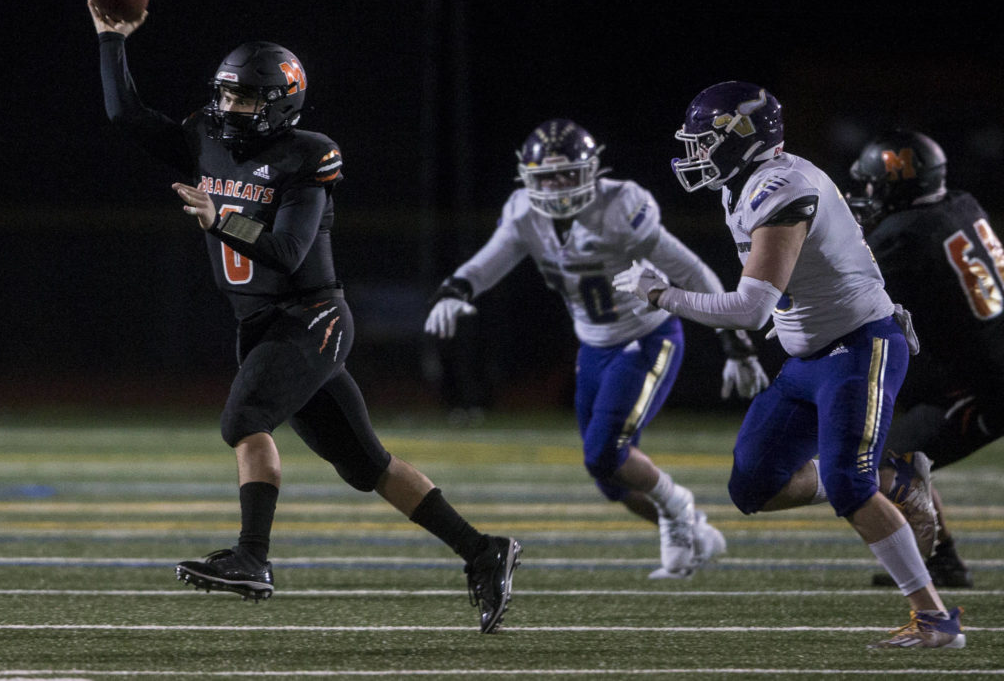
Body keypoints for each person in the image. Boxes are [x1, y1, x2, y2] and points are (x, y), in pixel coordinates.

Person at [87, 0, 520, 633]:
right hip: (263, 324)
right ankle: (484, 551)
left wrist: (220, 217)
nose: (229, 108)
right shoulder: (206, 139)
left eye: (245, 98)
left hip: (312, 316)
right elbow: (125, 114)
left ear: (280, 102)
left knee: (243, 420)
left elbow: (289, 250)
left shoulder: (306, 156)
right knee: (366, 466)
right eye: (226, 96)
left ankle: (252, 558)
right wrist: (110, 38)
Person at [613, 82, 965, 649]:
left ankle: (935, 619)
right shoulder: (747, 184)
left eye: (706, 141)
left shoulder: (781, 188)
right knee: (753, 484)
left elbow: (750, 310)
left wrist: (661, 295)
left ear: (743, 137)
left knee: (852, 484)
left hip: (860, 345)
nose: (696, 153)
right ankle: (892, 475)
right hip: (811, 356)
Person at [425, 118, 769, 579]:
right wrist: (454, 291)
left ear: (591, 171)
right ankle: (695, 529)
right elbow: (490, 261)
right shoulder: (524, 213)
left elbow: (691, 270)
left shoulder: (620, 207)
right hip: (593, 347)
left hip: (647, 335)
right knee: (609, 478)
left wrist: (734, 343)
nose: (558, 186)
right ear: (528, 178)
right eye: (547, 176)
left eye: (568, 173)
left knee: (604, 452)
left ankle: (678, 505)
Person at [847, 129, 1004, 589]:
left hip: (987, 380)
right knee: (888, 443)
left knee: (876, 459)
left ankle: (941, 562)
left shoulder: (905, 236)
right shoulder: (960, 202)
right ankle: (941, 560)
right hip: (979, 358)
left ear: (896, 183)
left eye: (874, 183)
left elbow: (856, 298)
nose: (867, 193)